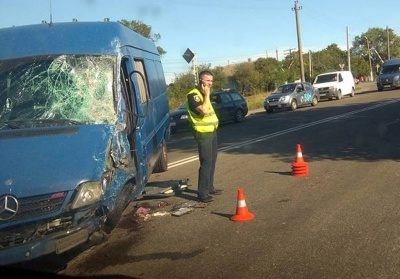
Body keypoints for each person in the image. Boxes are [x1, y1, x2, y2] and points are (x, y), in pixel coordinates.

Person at [186, 70, 222, 203]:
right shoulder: (194, 95)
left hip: (211, 131)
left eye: (212, 81)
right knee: (206, 162)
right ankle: (202, 194)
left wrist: (206, 94)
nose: (210, 83)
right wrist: (207, 95)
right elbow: (204, 111)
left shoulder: (203, 93)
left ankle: (210, 187)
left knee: (212, 160)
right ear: (201, 80)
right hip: (202, 133)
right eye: (208, 81)